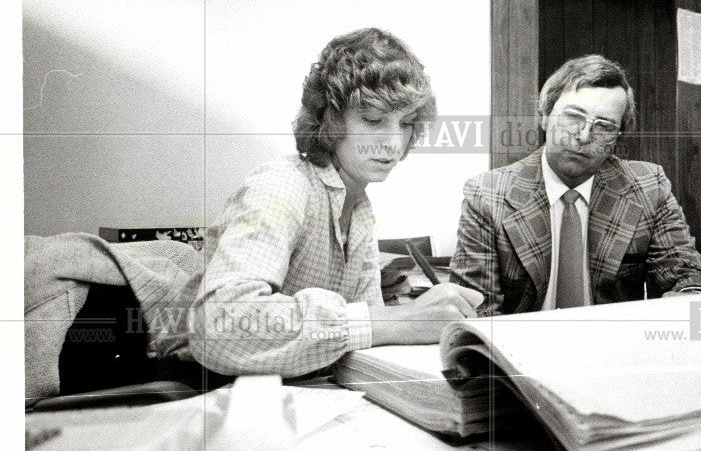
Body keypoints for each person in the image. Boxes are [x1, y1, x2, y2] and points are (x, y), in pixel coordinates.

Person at [187, 28, 482, 377]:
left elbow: (366, 334)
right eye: (372, 120)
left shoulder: (358, 208)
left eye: (405, 123)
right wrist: (395, 320)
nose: (392, 143)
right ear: (330, 120)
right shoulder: (284, 185)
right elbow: (217, 327)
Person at [449, 54, 701, 315]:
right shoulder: (487, 194)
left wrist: (689, 299)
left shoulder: (649, 187)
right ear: (544, 116)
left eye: (604, 126)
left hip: (613, 349)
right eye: (573, 117)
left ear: (617, 136)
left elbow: (686, 273)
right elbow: (477, 310)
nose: (584, 136)